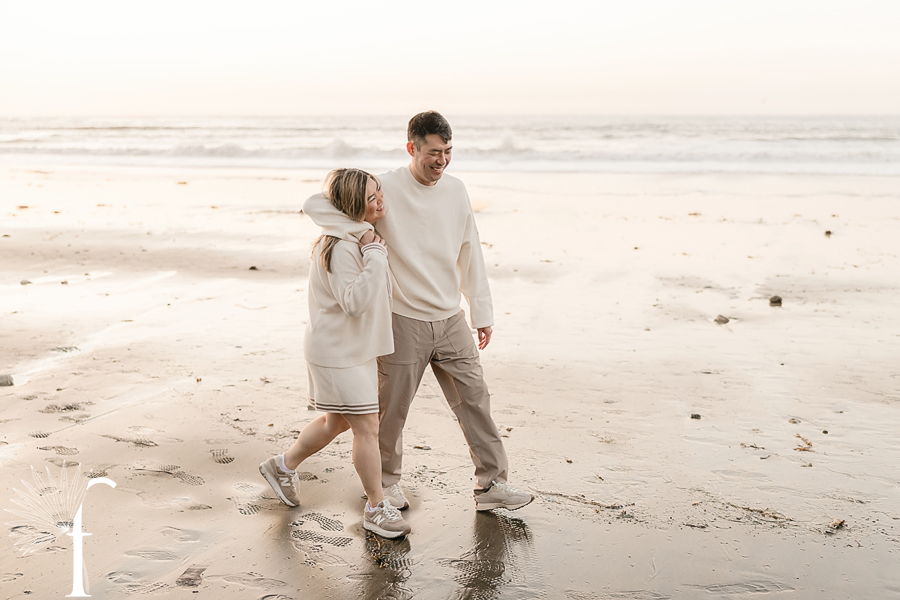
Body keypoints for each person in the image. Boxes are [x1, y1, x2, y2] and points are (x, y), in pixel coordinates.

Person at [304, 111, 533, 512]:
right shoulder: (386, 186)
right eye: (432, 152)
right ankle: (387, 485)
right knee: (391, 411)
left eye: (447, 152)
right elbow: (318, 205)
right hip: (401, 319)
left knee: (475, 400)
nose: (441, 161)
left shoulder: (457, 191)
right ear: (411, 148)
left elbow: (470, 250)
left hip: (450, 318)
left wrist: (481, 311)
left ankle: (492, 484)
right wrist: (362, 234)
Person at [260, 168, 411, 539]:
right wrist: (375, 254)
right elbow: (356, 303)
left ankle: (283, 466)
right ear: (350, 203)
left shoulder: (346, 235)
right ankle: (376, 507)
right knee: (366, 426)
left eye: (380, 192)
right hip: (338, 351)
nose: (380, 200)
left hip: (345, 349)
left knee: (338, 422)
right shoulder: (344, 246)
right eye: (371, 195)